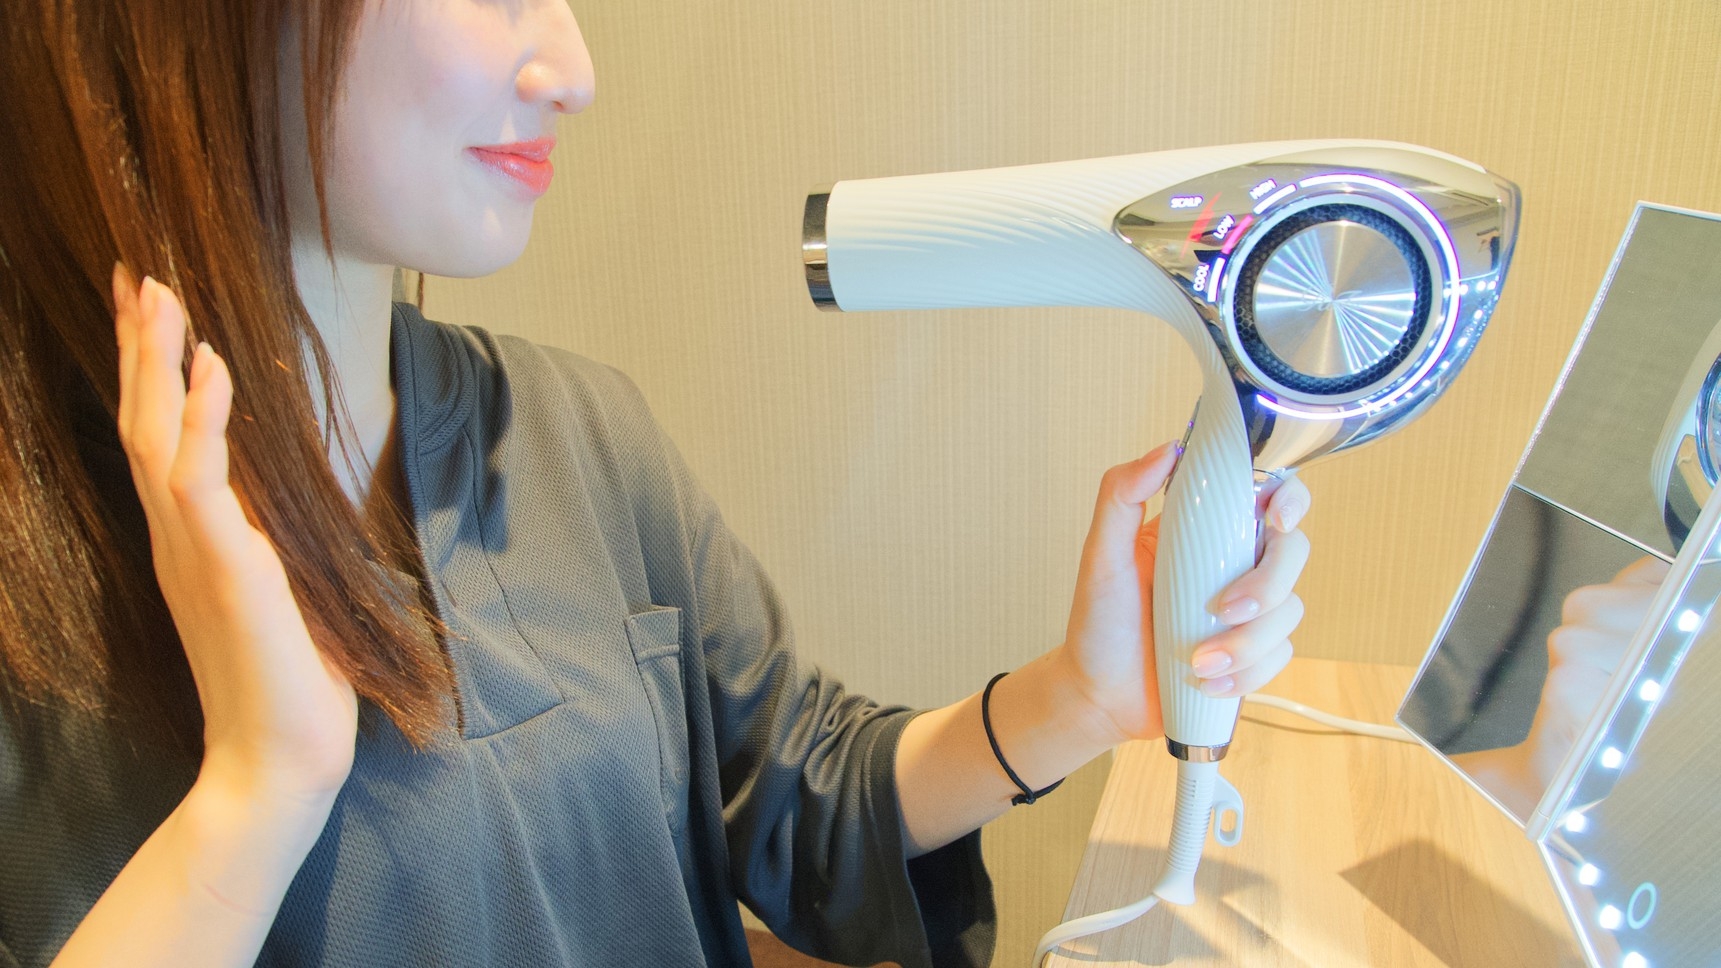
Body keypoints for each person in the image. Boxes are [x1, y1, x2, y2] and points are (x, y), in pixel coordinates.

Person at [0, 1, 1312, 966]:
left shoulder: (572, 436)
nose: (573, 70)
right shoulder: (31, 597)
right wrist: (255, 798)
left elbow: (801, 798)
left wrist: (1080, 697)